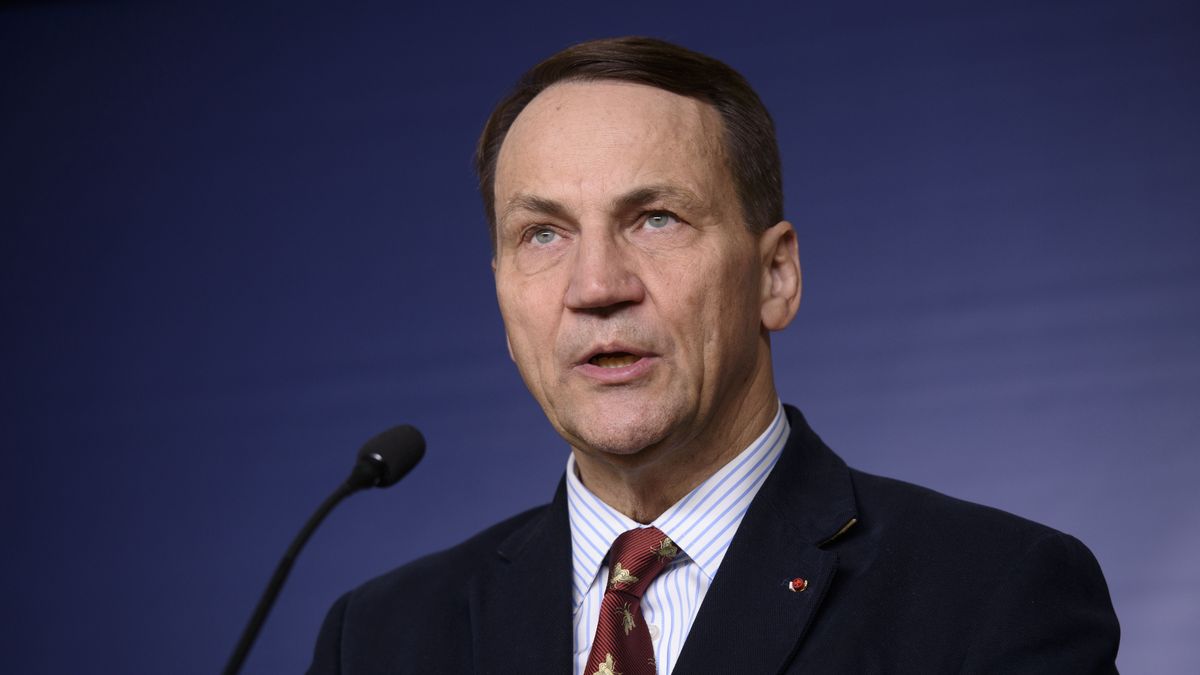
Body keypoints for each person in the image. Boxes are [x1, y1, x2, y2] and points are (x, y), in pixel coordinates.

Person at [308, 37, 1119, 674]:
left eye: (655, 217)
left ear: (776, 275)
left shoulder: (994, 594)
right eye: (543, 234)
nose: (595, 285)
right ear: (501, 296)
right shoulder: (378, 638)